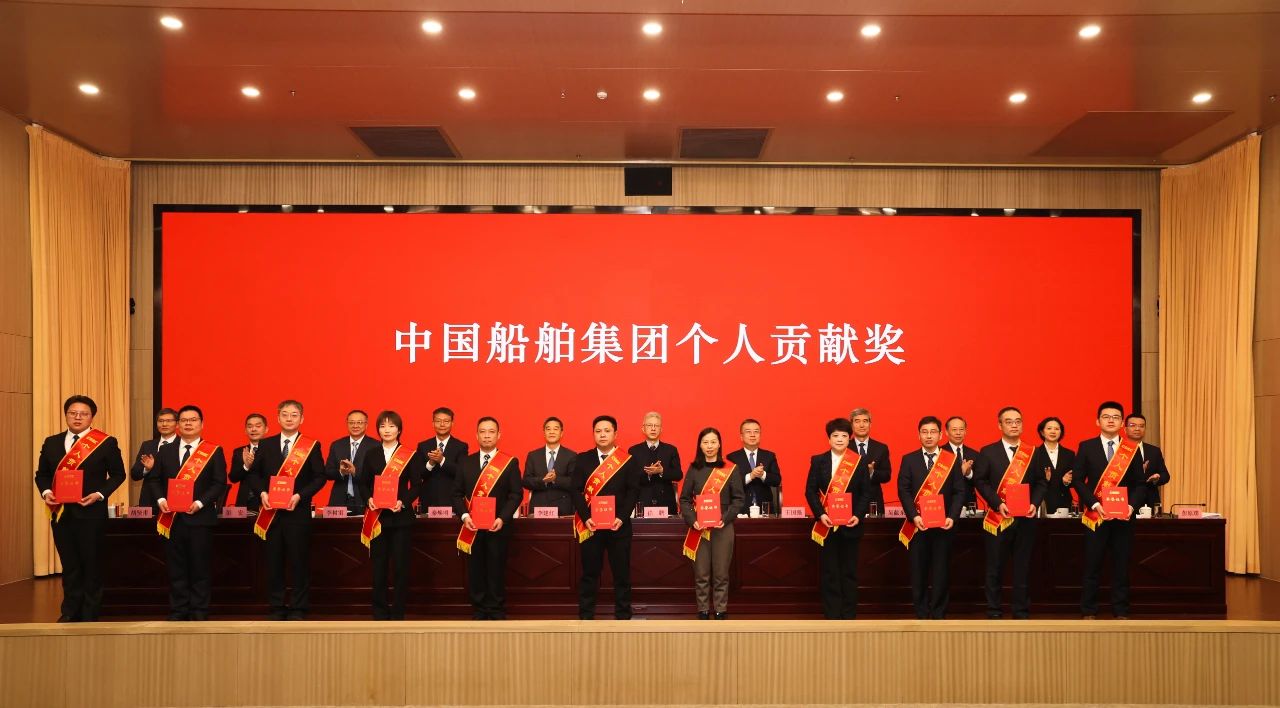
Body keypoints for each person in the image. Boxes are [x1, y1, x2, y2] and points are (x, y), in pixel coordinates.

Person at [34, 394, 126, 622]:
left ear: (92, 417)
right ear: (66, 415)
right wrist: (46, 493)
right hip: (61, 514)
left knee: (92, 564)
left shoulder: (106, 442)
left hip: (91, 514)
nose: (77, 417)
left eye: (83, 414)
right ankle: (70, 612)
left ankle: (90, 613)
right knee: (70, 565)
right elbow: (42, 475)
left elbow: (118, 474)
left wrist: (99, 495)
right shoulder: (51, 442)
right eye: (73, 413)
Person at [246, 399, 327, 620]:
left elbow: (320, 477)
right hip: (271, 513)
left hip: (297, 513)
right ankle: (276, 606)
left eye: (294, 415)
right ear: (278, 418)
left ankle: (299, 607)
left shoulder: (311, 445)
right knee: (273, 561)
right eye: (285, 414)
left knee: (299, 562)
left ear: (302, 419)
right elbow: (253, 474)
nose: (289, 418)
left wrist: (299, 496)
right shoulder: (266, 444)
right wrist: (262, 493)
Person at [1075, 402, 1156, 619]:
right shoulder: (1086, 447)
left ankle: (1120, 610)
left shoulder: (1131, 449)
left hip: (1124, 517)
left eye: (1116, 417)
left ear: (1122, 423)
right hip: (1096, 515)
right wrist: (1094, 504)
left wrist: (1131, 506)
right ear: (1097, 421)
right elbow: (1078, 480)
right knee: (1092, 564)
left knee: (1121, 565)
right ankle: (1089, 610)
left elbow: (1140, 484)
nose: (1111, 420)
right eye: (1106, 416)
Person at [147, 405, 227, 620]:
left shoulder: (213, 451)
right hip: (172, 519)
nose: (188, 424)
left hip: (200, 519)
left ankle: (199, 611)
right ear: (178, 425)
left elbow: (219, 483)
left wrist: (200, 503)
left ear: (202, 424)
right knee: (176, 568)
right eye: (184, 420)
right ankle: (178, 610)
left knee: (200, 568)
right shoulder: (165, 451)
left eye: (193, 420)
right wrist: (161, 500)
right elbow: (154, 480)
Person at [975, 406, 1047, 619]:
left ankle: (1021, 610)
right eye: (1009, 421)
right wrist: (997, 503)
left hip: (1025, 519)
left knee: (1022, 567)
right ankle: (994, 610)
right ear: (1000, 425)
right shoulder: (988, 452)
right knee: (994, 567)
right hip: (998, 518)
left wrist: (1034, 503)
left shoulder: (1033, 452)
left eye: (1018, 421)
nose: (1014, 425)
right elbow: (981, 481)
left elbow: (1041, 482)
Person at [570, 415, 642, 619]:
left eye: (607, 431)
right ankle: (586, 616)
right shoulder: (583, 459)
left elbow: (633, 491)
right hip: (591, 526)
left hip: (619, 526)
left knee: (621, 574)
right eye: (598, 431)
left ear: (615, 434)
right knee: (589, 573)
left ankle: (623, 615)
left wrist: (622, 516)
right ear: (593, 434)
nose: (602, 435)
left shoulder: (627, 460)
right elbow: (575, 490)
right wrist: (586, 517)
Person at [454, 417, 524, 620]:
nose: (487, 436)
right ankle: (479, 609)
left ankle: (496, 609)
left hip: (498, 526)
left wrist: (502, 518)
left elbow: (516, 494)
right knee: (475, 569)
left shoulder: (509, 463)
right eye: (482, 432)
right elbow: (456, 494)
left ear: (498, 435)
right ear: (476, 435)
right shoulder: (465, 462)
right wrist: (464, 516)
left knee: (496, 569)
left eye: (491, 432)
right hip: (472, 526)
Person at [897, 416, 964, 619]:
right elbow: (903, 490)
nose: (929, 436)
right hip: (918, 526)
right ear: (918, 435)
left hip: (944, 525)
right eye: (924, 432)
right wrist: (914, 516)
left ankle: (938, 612)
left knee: (941, 571)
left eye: (933, 432)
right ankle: (921, 612)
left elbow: (959, 491)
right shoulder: (909, 459)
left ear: (940, 435)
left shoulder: (950, 460)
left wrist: (952, 516)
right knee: (918, 570)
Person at [805, 417, 873, 619]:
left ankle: (849, 615)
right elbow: (810, 491)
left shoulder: (859, 462)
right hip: (826, 525)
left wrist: (857, 515)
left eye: (844, 435)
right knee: (830, 573)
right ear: (829, 439)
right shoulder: (819, 461)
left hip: (851, 525)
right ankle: (832, 615)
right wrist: (821, 514)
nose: (840, 439)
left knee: (849, 572)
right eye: (836, 436)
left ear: (849, 438)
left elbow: (866, 493)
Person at [357, 410, 421, 620]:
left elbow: (417, 485)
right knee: (379, 566)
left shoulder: (409, 454)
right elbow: (363, 483)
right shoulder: (371, 454)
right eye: (383, 426)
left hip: (401, 519)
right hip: (378, 519)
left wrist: (403, 502)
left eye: (391, 426)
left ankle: (398, 611)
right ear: (378, 429)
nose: (387, 430)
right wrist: (369, 499)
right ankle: (380, 611)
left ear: (399, 430)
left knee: (401, 567)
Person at [679, 427, 745, 619]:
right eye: (705, 442)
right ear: (700, 445)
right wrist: (693, 520)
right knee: (701, 574)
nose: (709, 446)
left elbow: (739, 499)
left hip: (722, 527)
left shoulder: (730, 469)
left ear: (719, 444)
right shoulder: (694, 469)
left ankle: (720, 610)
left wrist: (725, 518)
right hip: (699, 528)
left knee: (721, 573)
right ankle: (703, 610)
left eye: (713, 442)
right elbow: (684, 499)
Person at [629, 411, 682, 514]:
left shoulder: (671, 450)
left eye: (656, 426)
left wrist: (662, 471)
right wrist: (648, 473)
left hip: (666, 503)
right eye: (649, 425)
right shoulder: (634, 451)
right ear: (643, 429)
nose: (653, 428)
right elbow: (631, 478)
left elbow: (678, 475)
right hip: (642, 502)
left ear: (661, 429)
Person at [522, 416, 578, 516]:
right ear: (544, 433)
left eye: (555, 429)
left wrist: (555, 479)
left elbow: (574, 482)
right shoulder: (533, 455)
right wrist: (543, 480)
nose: (552, 432)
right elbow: (526, 481)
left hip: (563, 510)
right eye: (548, 429)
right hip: (538, 509)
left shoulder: (571, 456)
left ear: (561, 433)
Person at [326, 409, 378, 514]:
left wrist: (355, 472)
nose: (355, 425)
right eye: (352, 422)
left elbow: (378, 476)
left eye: (359, 422)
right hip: (338, 500)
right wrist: (340, 472)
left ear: (366, 425)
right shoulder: (337, 445)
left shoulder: (376, 446)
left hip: (365, 500)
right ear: (347, 424)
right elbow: (327, 472)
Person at [725, 418, 781, 514]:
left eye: (756, 431)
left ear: (760, 435)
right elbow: (730, 484)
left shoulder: (769, 456)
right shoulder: (732, 458)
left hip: (765, 509)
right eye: (748, 432)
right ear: (741, 436)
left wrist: (763, 474)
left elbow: (777, 480)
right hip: (740, 509)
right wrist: (750, 476)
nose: (752, 435)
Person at [417, 407, 468, 511]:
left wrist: (442, 460)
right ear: (433, 423)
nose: (442, 424)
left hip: (452, 502)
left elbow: (461, 472)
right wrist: (430, 463)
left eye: (446, 421)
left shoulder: (461, 446)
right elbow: (418, 474)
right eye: (438, 421)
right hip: (428, 501)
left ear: (452, 423)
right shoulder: (423, 446)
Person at [129, 408, 177, 509]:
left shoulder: (183, 445)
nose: (164, 424)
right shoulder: (147, 445)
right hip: (149, 500)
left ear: (177, 424)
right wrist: (147, 469)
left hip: (174, 498)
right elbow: (134, 475)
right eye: (161, 421)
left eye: (168, 421)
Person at [1125, 413, 1171, 511]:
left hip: (1150, 501)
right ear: (1125, 429)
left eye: (1141, 426)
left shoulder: (1154, 451)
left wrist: (1157, 478)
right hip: (1126, 501)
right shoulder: (1118, 450)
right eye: (1133, 425)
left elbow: (1165, 475)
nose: (1137, 429)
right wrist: (1139, 471)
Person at [1031, 417, 1077, 514]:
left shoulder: (1069, 454)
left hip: (1064, 504)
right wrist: (1045, 479)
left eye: (1056, 429)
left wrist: (1066, 482)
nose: (1053, 431)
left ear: (1061, 432)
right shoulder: (1034, 454)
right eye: (1049, 428)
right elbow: (1029, 481)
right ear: (1042, 432)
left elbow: (1076, 480)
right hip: (1042, 504)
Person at [849, 408, 892, 512]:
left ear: (870, 424)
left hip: (873, 502)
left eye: (865, 421)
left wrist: (872, 473)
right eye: (857, 421)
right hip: (850, 503)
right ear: (851, 425)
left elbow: (887, 476)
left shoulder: (881, 448)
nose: (861, 425)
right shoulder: (845, 447)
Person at [226, 413, 268, 509]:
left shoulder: (273, 450)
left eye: (258, 426)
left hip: (266, 502)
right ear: (245, 430)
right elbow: (233, 478)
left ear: (266, 429)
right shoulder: (239, 452)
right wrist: (246, 467)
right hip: (244, 503)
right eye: (250, 426)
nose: (253, 429)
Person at [942, 416, 984, 509]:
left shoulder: (975, 454)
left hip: (969, 504)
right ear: (946, 432)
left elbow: (980, 482)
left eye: (961, 429)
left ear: (965, 432)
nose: (958, 433)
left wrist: (969, 474)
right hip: (947, 505)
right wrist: (961, 472)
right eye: (954, 430)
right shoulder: (940, 453)